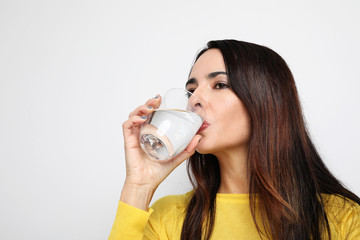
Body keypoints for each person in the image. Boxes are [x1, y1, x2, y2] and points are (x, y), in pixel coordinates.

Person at [109, 40, 360, 239]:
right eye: (192, 88)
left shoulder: (343, 218)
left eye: (219, 85)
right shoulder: (170, 217)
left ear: (267, 101)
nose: (194, 99)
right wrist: (139, 186)